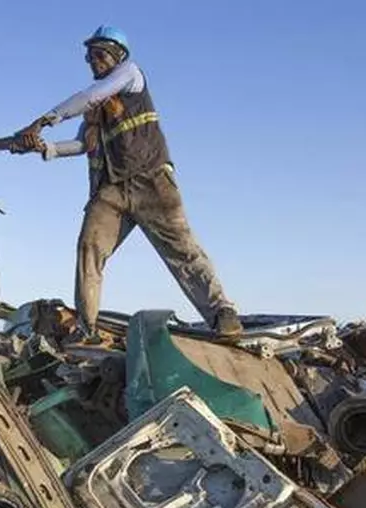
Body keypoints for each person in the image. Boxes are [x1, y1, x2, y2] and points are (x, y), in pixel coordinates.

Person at [12, 25, 244, 343]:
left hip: (151, 182)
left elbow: (90, 95)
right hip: (111, 191)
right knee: (89, 249)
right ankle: (87, 328)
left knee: (182, 250)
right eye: (89, 57)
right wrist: (43, 147)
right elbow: (82, 146)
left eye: (98, 55)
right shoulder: (96, 114)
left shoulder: (130, 74)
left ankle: (222, 314)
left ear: (116, 54)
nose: (92, 62)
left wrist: (42, 121)